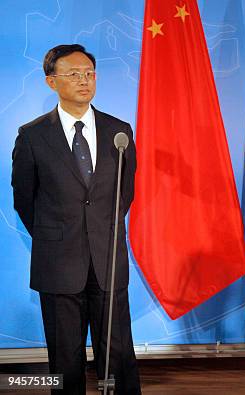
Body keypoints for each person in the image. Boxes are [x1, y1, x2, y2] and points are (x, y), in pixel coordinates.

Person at [11, 44, 141, 394]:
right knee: (64, 359)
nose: (84, 80)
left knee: (118, 354)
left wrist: (98, 230)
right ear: (52, 82)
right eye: (73, 74)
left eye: (89, 73)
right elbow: (25, 200)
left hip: (108, 259)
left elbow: (123, 196)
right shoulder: (33, 136)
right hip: (58, 263)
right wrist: (58, 234)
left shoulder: (119, 132)